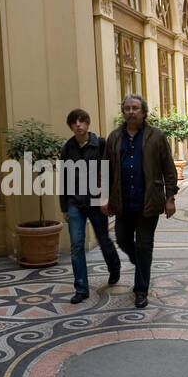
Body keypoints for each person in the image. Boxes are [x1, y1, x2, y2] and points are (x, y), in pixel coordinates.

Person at [101, 95, 178, 309]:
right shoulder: (115, 137)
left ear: (143, 112)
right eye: (127, 108)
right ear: (123, 112)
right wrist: (104, 197)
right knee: (123, 238)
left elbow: (168, 169)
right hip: (123, 202)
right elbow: (105, 170)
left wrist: (170, 198)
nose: (131, 112)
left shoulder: (157, 136)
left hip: (149, 201)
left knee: (144, 245)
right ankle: (141, 264)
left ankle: (141, 290)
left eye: (135, 108)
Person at [60, 109, 120, 304]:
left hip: (96, 201)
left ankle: (114, 266)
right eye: (74, 122)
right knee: (77, 245)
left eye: (82, 121)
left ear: (88, 123)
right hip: (75, 203)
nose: (78, 125)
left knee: (103, 240)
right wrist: (64, 206)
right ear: (70, 126)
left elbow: (109, 173)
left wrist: (106, 199)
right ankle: (81, 288)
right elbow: (64, 178)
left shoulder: (100, 144)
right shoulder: (67, 148)